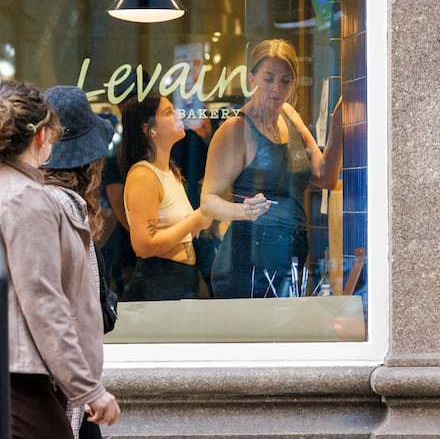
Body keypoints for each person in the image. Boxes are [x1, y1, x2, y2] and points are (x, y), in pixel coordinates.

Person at [0, 81, 120, 439]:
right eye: (52, 136)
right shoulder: (27, 198)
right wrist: (88, 389)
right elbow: (44, 302)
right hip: (18, 378)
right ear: (39, 137)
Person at [200, 38, 343, 298]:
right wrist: (243, 210)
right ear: (252, 78)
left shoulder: (289, 114)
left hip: (293, 255)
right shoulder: (235, 129)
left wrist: (342, 118)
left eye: (285, 81)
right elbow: (208, 202)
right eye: (268, 79)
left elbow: (324, 177)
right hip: (246, 260)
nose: (277, 88)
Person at [41, 85, 116, 439]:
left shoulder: (42, 207)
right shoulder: (62, 214)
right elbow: (60, 315)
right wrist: (90, 390)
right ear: (91, 165)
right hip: (65, 393)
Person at [118, 92, 212, 301]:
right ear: (149, 129)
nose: (178, 115)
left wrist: (202, 220)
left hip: (179, 278)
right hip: (160, 280)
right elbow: (144, 245)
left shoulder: (170, 171)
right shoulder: (143, 175)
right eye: (169, 112)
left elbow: (177, 230)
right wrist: (194, 221)